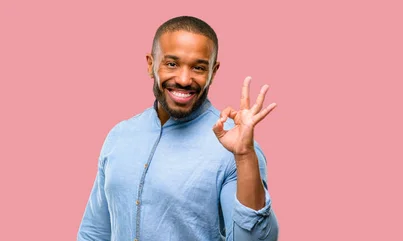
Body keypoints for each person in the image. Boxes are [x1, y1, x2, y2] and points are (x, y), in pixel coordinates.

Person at [77, 16, 279, 241]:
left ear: (213, 71)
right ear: (150, 64)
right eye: (172, 64)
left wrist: (243, 156)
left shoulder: (236, 146)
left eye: (198, 67)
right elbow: (95, 231)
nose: (184, 79)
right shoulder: (119, 136)